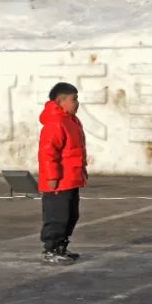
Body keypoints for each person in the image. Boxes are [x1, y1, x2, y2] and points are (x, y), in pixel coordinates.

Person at [38, 81, 86, 265]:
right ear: (60, 101)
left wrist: (81, 171)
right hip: (59, 181)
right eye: (74, 99)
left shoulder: (72, 121)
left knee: (71, 215)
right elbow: (48, 153)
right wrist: (52, 177)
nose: (77, 103)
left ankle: (61, 247)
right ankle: (51, 250)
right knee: (56, 216)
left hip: (71, 178)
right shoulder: (55, 122)